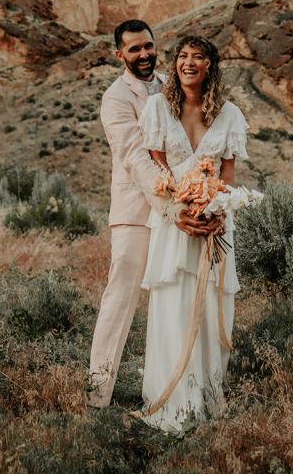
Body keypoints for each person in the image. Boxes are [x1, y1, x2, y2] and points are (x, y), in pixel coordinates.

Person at [88, 20, 217, 408]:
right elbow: (134, 155)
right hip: (137, 211)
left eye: (148, 46)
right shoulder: (115, 99)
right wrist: (170, 205)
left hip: (179, 208)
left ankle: (175, 386)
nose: (143, 55)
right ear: (119, 55)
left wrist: (200, 193)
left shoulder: (171, 84)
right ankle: (98, 394)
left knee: (174, 296)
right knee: (120, 298)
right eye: (134, 50)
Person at [138, 34, 248, 433]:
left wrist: (219, 211)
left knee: (210, 308)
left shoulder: (230, 114)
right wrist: (181, 210)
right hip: (174, 223)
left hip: (216, 224)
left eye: (197, 57)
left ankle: (207, 398)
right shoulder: (157, 109)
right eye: (182, 56)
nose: (188, 62)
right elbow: (159, 174)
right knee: (175, 306)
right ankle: (173, 402)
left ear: (209, 66)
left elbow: (230, 178)